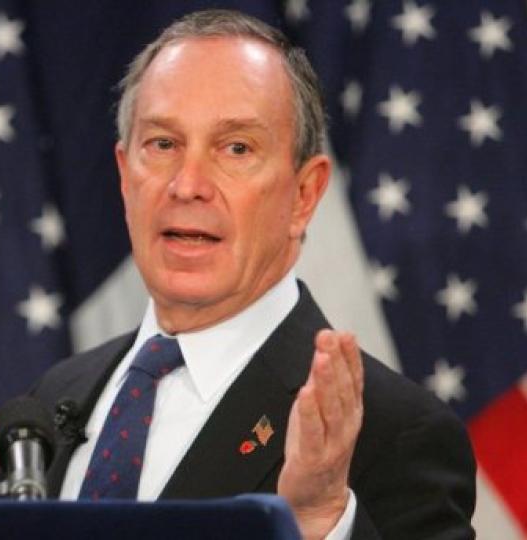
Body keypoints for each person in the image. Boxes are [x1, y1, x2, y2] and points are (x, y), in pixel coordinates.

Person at [30, 9, 475, 540]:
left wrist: (318, 521)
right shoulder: (55, 397)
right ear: (125, 176)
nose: (187, 185)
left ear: (304, 195)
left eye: (236, 148)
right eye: (163, 144)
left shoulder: (393, 432)